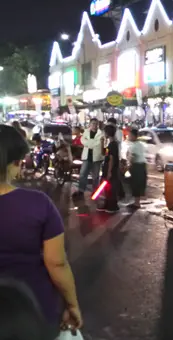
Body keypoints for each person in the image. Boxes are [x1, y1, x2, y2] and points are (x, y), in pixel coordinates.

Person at [0, 126, 82, 332]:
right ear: (15, 164)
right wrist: (71, 304)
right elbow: (56, 263)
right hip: (31, 311)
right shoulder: (38, 204)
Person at [73, 118, 104, 198]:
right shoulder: (86, 132)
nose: (94, 125)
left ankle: (95, 191)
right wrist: (92, 143)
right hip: (87, 157)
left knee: (96, 176)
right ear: (90, 124)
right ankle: (81, 190)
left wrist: (89, 143)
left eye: (96, 124)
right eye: (93, 123)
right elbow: (83, 141)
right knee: (83, 174)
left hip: (97, 158)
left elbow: (98, 144)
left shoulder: (101, 133)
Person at [98, 124, 121, 213]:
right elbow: (104, 153)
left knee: (110, 187)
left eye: (104, 132)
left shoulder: (113, 144)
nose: (103, 134)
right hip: (107, 168)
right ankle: (108, 204)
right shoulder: (110, 144)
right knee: (106, 187)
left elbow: (111, 158)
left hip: (110, 169)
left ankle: (113, 206)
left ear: (107, 133)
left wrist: (109, 172)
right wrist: (101, 142)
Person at [126, 128, 147, 209]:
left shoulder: (134, 146)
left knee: (135, 184)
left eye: (130, 135)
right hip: (142, 166)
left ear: (134, 136)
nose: (128, 136)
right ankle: (136, 202)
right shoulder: (140, 144)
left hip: (136, 167)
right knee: (138, 184)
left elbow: (132, 157)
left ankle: (136, 203)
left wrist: (128, 167)